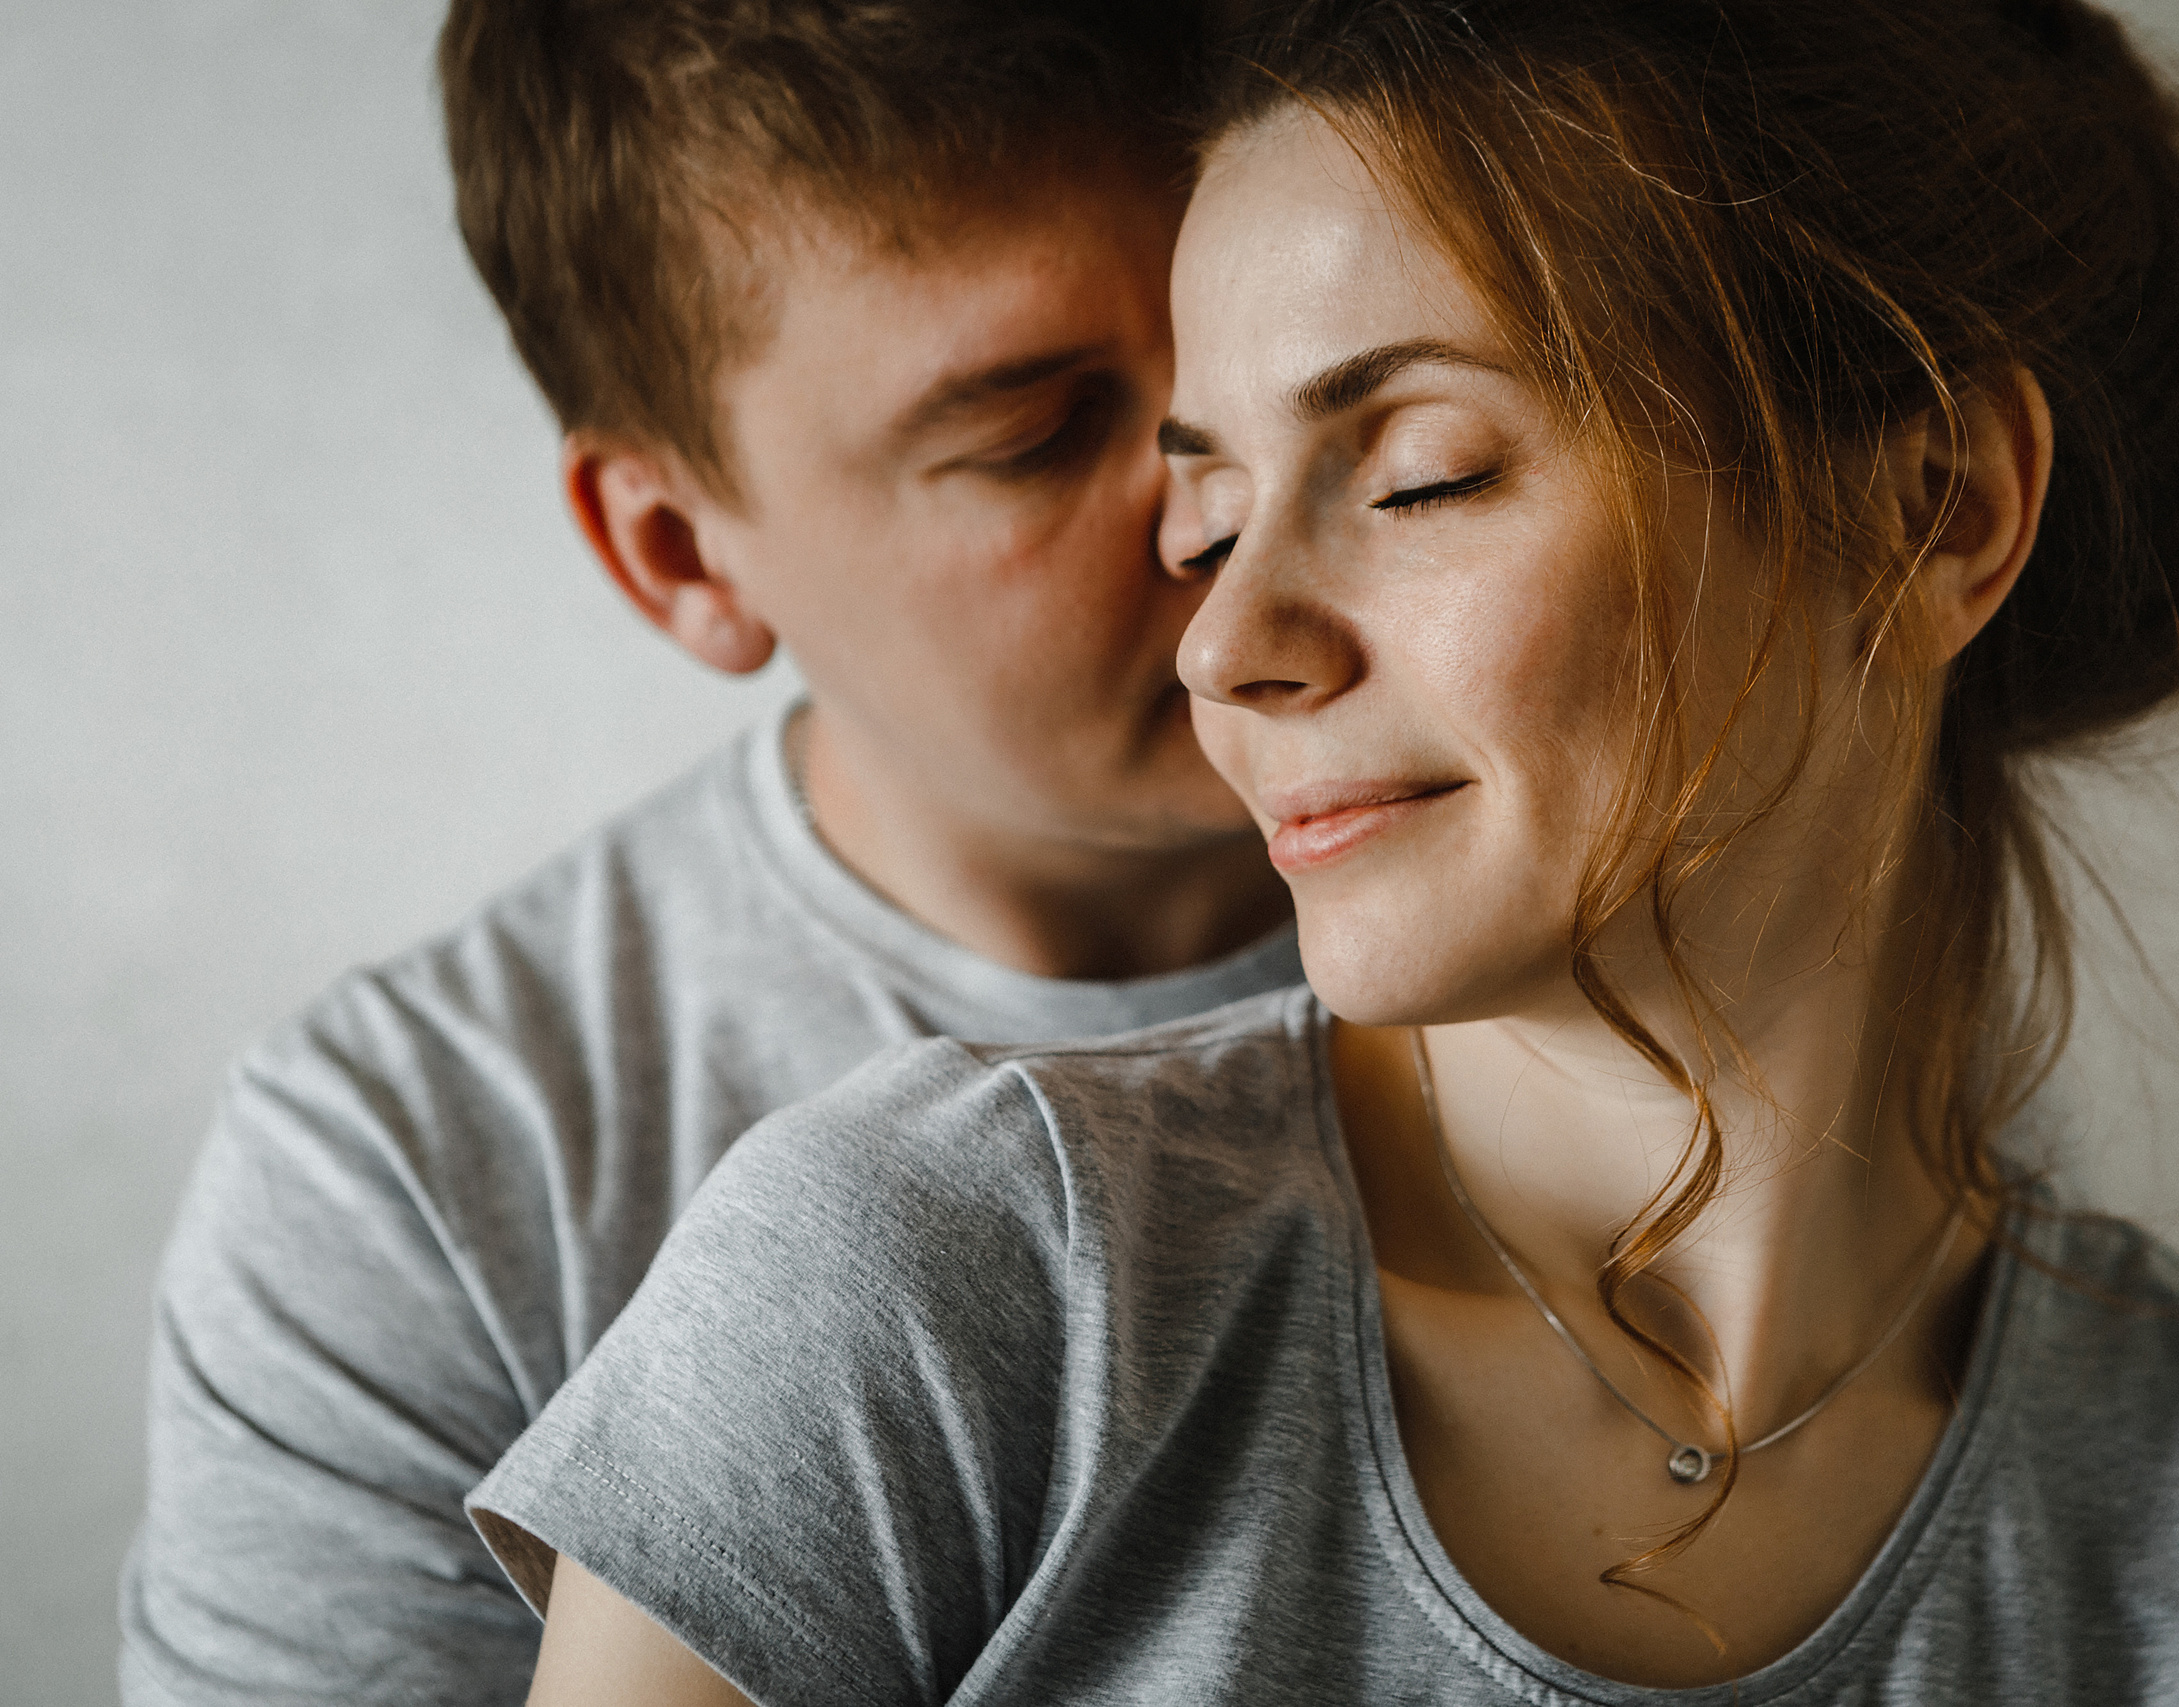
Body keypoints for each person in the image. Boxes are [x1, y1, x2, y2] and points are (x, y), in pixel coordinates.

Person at [469, 0, 2179, 1701]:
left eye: (1419, 474)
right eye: (1213, 508)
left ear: (1932, 506)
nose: (1222, 634)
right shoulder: (928, 1283)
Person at [115, 3, 1303, 1703]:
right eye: (1037, 437)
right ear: (678, 552)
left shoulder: (1708, 897)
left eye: (1249, 347)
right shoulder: (415, 1181)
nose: (1225, 503)